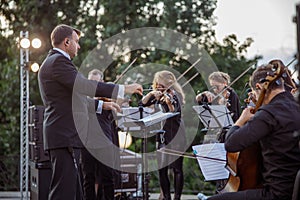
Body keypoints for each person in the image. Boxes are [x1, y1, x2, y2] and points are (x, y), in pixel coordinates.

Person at [38, 24, 143, 200]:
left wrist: (103, 106)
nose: (78, 46)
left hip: (65, 136)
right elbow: (86, 86)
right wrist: (124, 88)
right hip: (65, 136)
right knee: (63, 193)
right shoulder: (58, 62)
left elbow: (75, 99)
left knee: (76, 193)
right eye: (76, 42)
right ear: (66, 42)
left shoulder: (54, 62)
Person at [206, 63, 300, 200]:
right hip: (293, 189)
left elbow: (231, 144)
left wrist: (241, 120)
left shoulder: (268, 114)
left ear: (258, 87)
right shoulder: (295, 106)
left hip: (275, 194)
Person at [141, 70, 186, 200]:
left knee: (177, 169)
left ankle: (177, 197)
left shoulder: (175, 95)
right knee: (162, 168)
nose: (160, 87)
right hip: (162, 134)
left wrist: (169, 103)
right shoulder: (157, 95)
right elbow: (142, 104)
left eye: (162, 85)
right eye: (158, 84)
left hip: (176, 135)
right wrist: (150, 94)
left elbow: (175, 110)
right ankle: (166, 197)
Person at [81, 69, 120, 200]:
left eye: (96, 83)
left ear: (102, 83)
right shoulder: (84, 100)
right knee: (88, 179)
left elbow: (115, 116)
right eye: (91, 82)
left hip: (105, 142)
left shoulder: (107, 100)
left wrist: (111, 100)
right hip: (87, 143)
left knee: (108, 179)